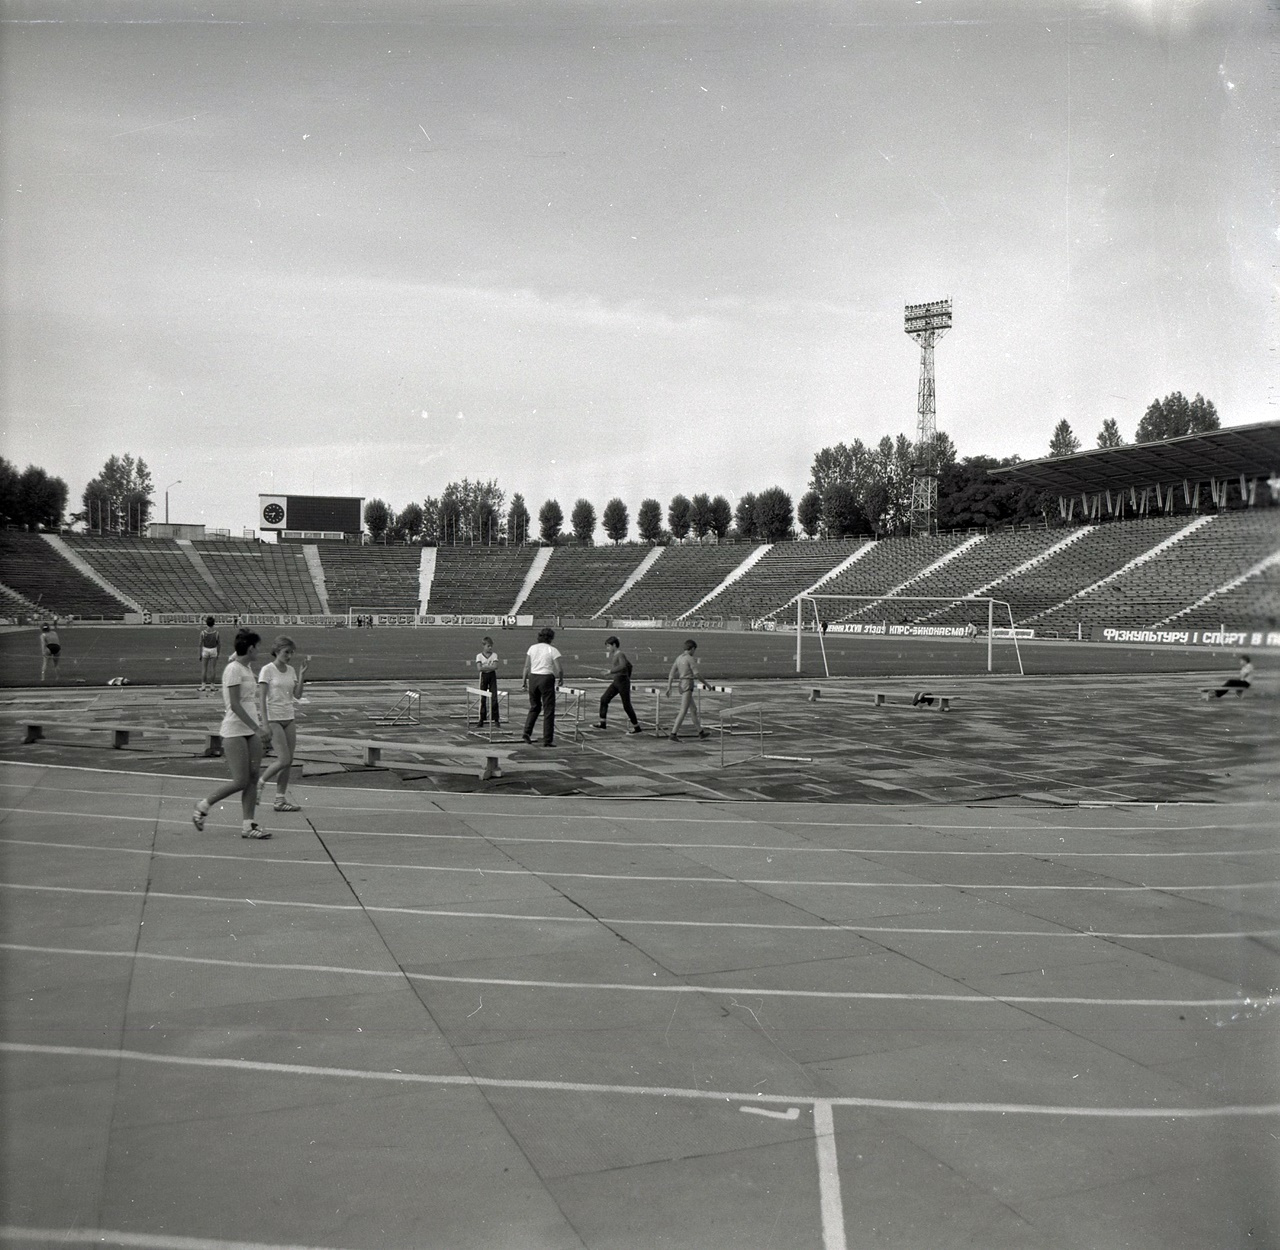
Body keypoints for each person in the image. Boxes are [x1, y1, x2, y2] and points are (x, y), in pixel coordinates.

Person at [192, 629, 270, 839]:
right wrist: (257, 729)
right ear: (251, 648)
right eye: (257, 647)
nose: (259, 651)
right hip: (235, 730)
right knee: (240, 781)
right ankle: (203, 806)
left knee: (253, 777)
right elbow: (234, 705)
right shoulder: (233, 669)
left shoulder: (244, 666)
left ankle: (248, 825)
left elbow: (237, 655)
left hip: (251, 730)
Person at [256, 635, 308, 812]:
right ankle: (260, 782)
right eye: (286, 652)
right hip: (274, 719)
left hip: (289, 717)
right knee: (284, 759)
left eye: (292, 653)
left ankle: (280, 800)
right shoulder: (267, 670)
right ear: (277, 651)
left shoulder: (291, 670)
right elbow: (261, 699)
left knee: (288, 761)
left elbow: (297, 695)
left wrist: (301, 675)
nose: (289, 656)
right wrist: (264, 724)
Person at [521, 627, 564, 745]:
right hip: (546, 678)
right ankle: (547, 739)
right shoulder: (552, 650)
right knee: (548, 709)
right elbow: (559, 669)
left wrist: (524, 681)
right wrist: (561, 679)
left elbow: (526, 666)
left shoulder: (532, 648)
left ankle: (526, 732)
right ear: (551, 638)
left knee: (534, 707)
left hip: (533, 678)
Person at [666, 639, 712, 741]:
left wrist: (669, 687)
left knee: (693, 709)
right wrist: (707, 684)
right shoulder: (690, 659)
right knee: (683, 710)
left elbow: (671, 674)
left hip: (682, 684)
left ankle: (701, 732)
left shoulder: (679, 658)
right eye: (694, 650)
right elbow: (697, 674)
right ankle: (673, 734)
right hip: (687, 685)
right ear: (692, 649)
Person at [594, 635, 642, 733]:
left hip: (622, 682)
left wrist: (611, 672)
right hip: (617, 682)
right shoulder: (616, 655)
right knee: (604, 699)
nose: (607, 648)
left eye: (608, 646)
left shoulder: (620, 654)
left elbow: (623, 665)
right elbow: (629, 666)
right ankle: (602, 723)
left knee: (626, 705)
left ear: (614, 645)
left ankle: (637, 727)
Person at [475, 636, 501, 727]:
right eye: (488, 646)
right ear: (484, 646)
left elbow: (495, 667)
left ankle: (496, 719)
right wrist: (489, 667)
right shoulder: (479, 656)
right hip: (484, 676)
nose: (490, 648)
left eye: (491, 646)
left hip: (492, 676)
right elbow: (479, 668)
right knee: (483, 698)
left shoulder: (494, 655)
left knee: (494, 698)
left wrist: (485, 667)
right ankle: (482, 719)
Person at [198, 616, 220, 691]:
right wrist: (218, 653)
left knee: (204, 668)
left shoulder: (203, 633)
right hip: (213, 649)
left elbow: (200, 644)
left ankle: (203, 686)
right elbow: (219, 644)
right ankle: (212, 686)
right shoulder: (216, 633)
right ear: (213, 623)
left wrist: (200, 654)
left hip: (205, 649)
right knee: (213, 669)